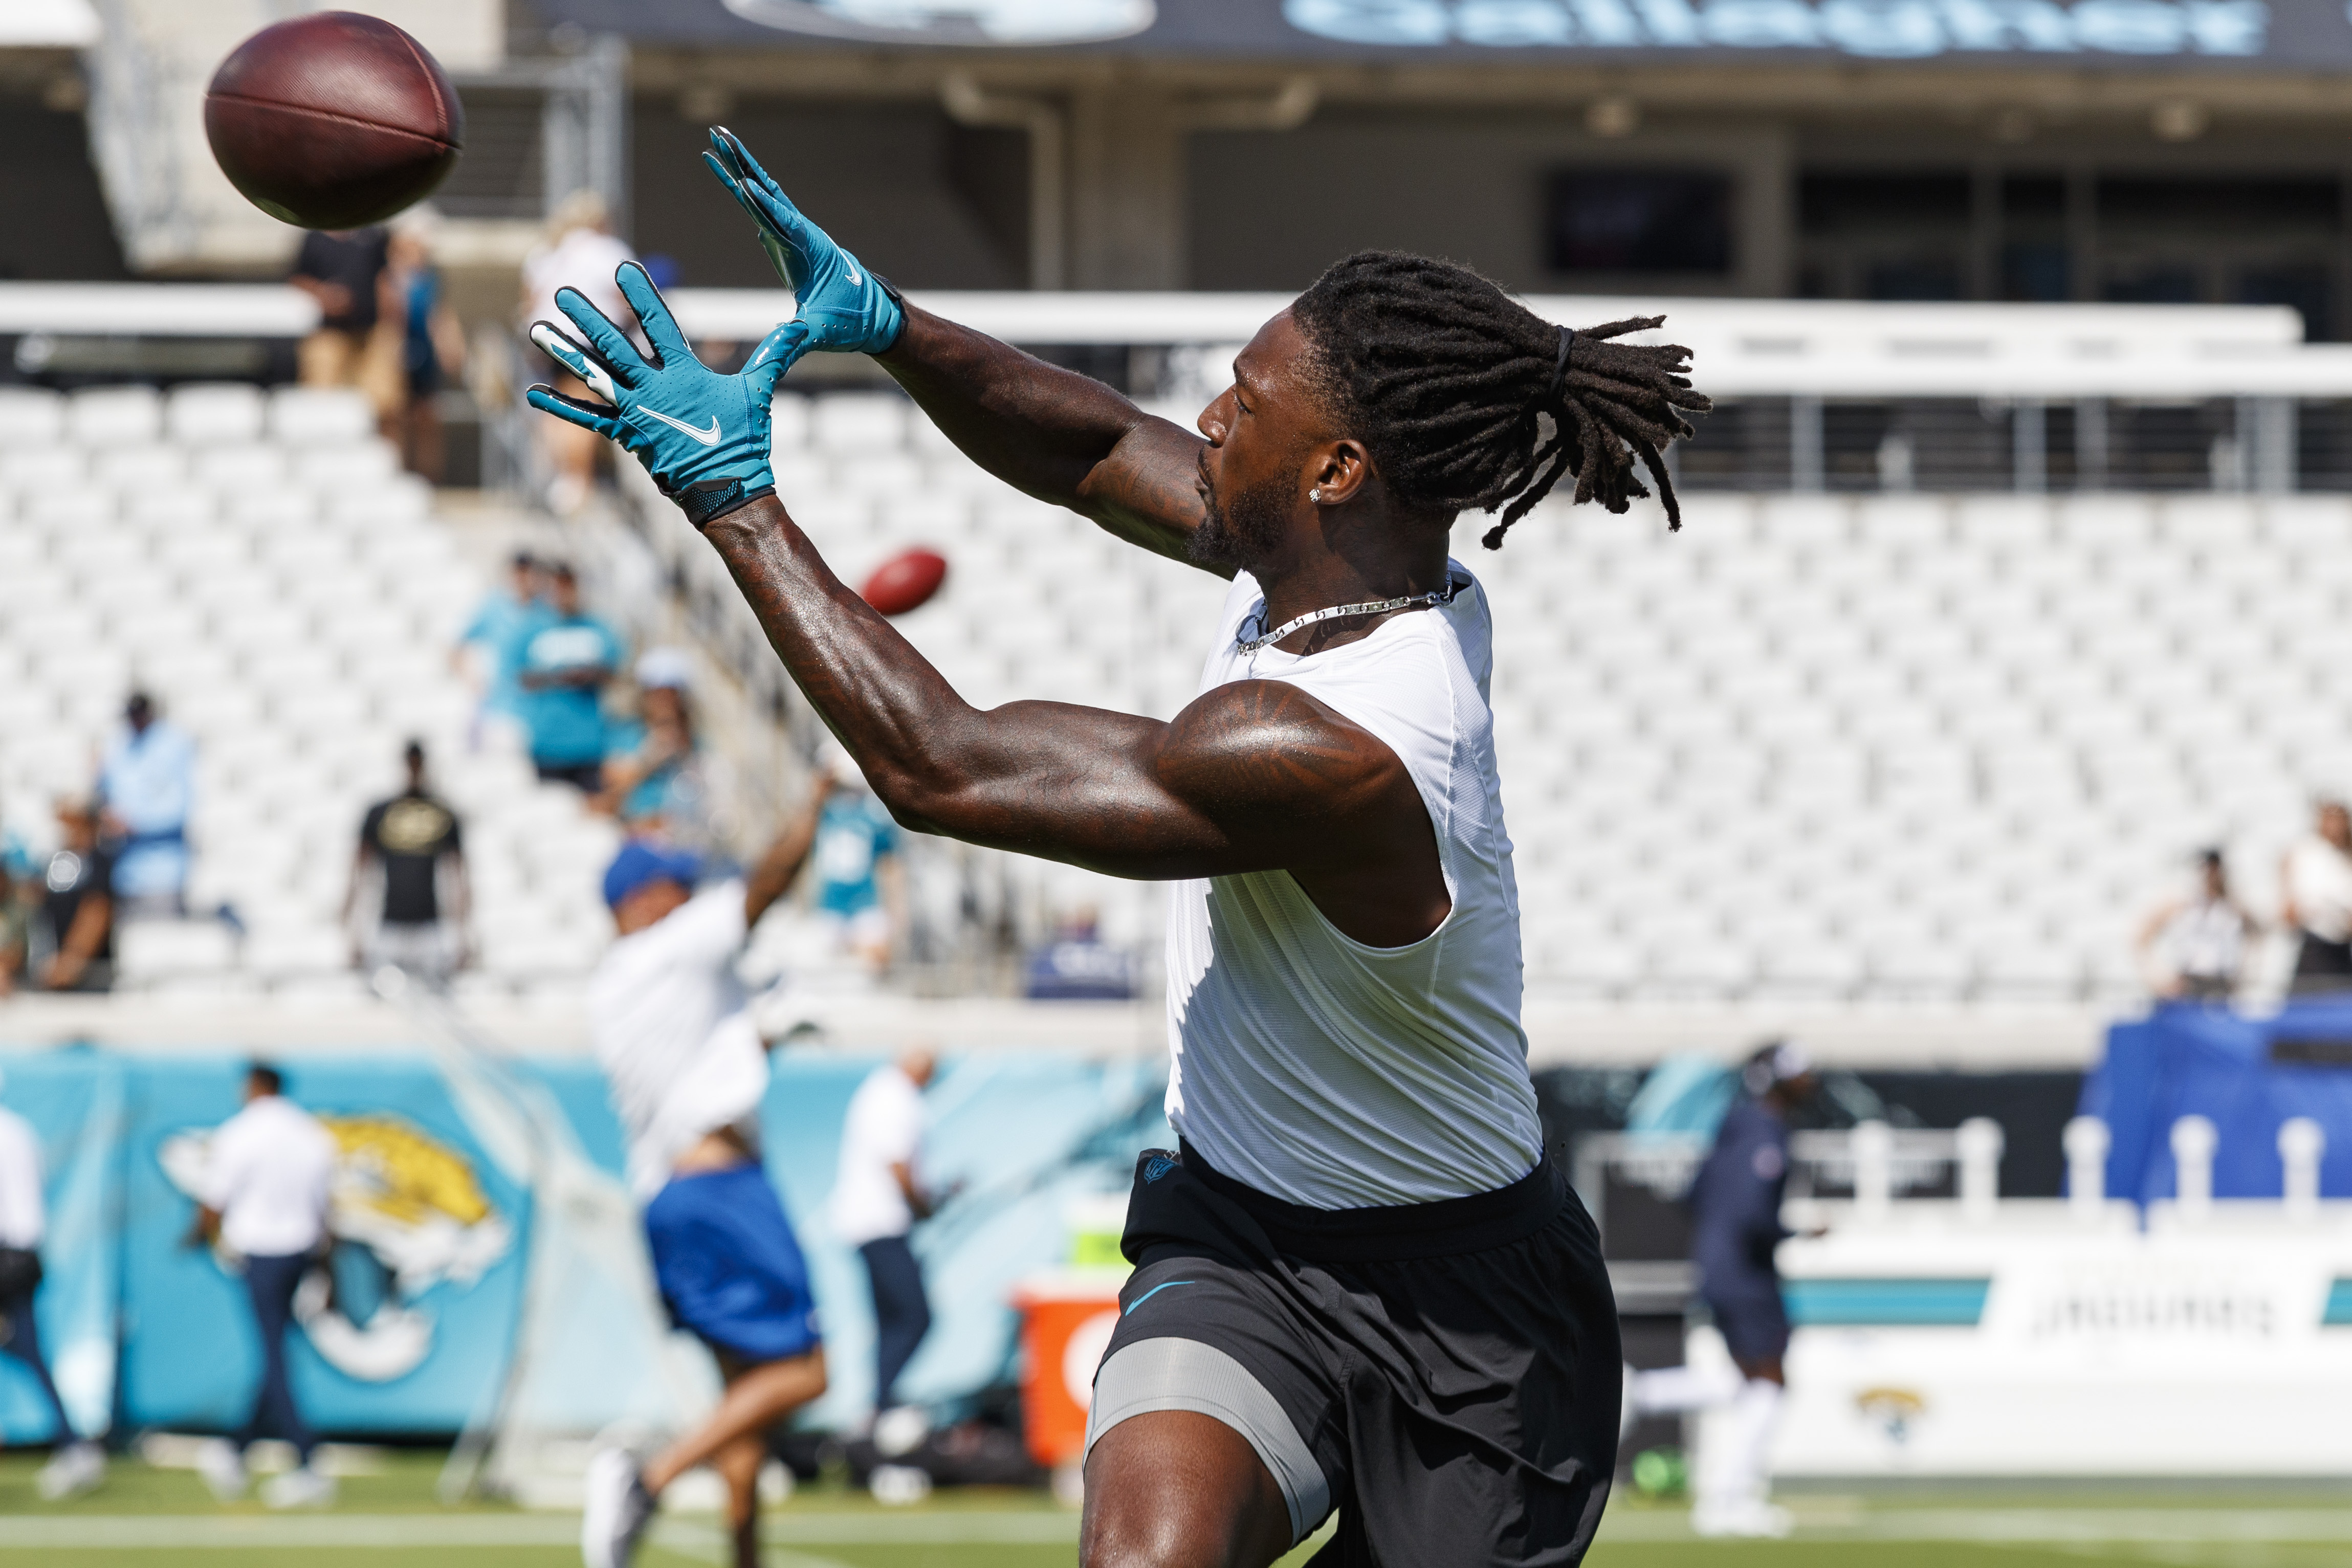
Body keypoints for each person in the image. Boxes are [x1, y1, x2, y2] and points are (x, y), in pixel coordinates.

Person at [533, 126, 1707, 1568]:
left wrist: (734, 501)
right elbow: (1088, 447)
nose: (1207, 416)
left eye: (1242, 398)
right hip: (1242, 1243)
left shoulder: (1326, 745)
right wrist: (891, 324)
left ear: (1336, 468)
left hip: (1471, 1320)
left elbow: (942, 766)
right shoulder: (1339, 574)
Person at [581, 813, 825, 1568]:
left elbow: (699, 1058)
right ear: (643, 900)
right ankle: (645, 1479)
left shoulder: (618, 987)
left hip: (669, 1198)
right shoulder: (672, 950)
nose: (685, 897)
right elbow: (771, 879)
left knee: (741, 1407)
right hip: (723, 1190)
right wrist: (816, 795)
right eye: (672, 886)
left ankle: (744, 1556)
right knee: (806, 1373)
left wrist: (764, 1035)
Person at [1634, 1041, 1818, 1539]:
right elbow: (1751, 1214)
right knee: (1770, 1379)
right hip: (1744, 1271)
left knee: (1744, 1378)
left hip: (1718, 1266)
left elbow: (1694, 1195)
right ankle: (1729, 1498)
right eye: (1801, 1073)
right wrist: (1795, 1232)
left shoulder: (1729, 1125)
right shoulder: (1763, 1129)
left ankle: (1638, 1393)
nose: (1810, 1081)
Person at [192, 1064, 340, 1511]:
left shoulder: (242, 1133)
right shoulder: (311, 1133)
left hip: (261, 1252)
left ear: (256, 1086)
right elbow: (327, 1208)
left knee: (274, 1353)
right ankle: (235, 1448)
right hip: (302, 1251)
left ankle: (306, 1460)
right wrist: (328, 1267)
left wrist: (201, 1237)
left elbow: (215, 1200)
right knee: (276, 1349)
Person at [0, 1077, 107, 1499]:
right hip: (27, 1251)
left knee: (27, 1349)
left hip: (6, 1250)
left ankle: (73, 1443)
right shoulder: (20, 1129)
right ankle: (73, 1443)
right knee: (27, 1348)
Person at [830, 1050, 943, 1427]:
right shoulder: (895, 1097)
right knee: (915, 1315)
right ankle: (881, 1401)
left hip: (870, 1224)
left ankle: (881, 1403)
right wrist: (923, 1204)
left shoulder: (878, 1092)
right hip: (880, 1223)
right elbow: (897, 1163)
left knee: (892, 1320)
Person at [520, 191, 638, 515]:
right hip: (586, 339)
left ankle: (558, 476)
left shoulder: (546, 254)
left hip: (545, 338)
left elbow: (530, 302)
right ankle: (576, 482)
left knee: (553, 406)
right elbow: (630, 298)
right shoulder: (609, 252)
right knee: (585, 409)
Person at [344, 741, 470, 986]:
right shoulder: (380, 812)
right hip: (388, 926)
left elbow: (458, 875)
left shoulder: (442, 813)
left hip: (430, 927)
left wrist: (463, 936)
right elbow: (359, 870)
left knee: (437, 999)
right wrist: (353, 930)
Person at [596, 651, 718, 852]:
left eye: (670, 694)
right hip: (635, 836)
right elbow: (613, 785)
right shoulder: (626, 735)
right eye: (656, 694)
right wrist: (653, 754)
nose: (663, 702)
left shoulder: (698, 744)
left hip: (682, 840)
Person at [518, 563, 624, 790]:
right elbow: (521, 679)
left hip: (590, 746)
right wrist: (559, 678)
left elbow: (614, 674)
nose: (563, 594)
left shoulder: (598, 628)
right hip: (547, 744)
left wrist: (589, 676)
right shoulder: (532, 630)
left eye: (568, 586)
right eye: (557, 587)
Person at [381, 211, 468, 481]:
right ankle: (394, 477)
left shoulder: (431, 277)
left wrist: (451, 347)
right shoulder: (387, 275)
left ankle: (427, 478)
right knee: (392, 417)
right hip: (395, 353)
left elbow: (438, 314)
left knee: (427, 418)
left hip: (424, 354)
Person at [97, 692, 195, 916]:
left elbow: (181, 809)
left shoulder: (173, 745)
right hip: (123, 875)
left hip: (161, 876)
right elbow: (106, 796)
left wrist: (134, 824)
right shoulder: (120, 746)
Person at [289, 226, 399, 421]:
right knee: (321, 406)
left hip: (369, 335)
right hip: (327, 334)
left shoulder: (374, 235)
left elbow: (384, 281)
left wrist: (391, 326)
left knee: (383, 408)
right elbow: (298, 280)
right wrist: (325, 296)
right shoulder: (314, 239)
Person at [808, 759, 903, 975]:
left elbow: (890, 864)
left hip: (865, 900)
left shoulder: (874, 814)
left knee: (876, 965)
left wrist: (895, 910)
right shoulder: (822, 813)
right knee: (823, 968)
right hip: (830, 903)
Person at [2136, 848, 2257, 1003]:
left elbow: (2258, 936)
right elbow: (2141, 939)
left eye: (2215, 870)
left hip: (2221, 985)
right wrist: (2159, 978)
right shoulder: (2180, 904)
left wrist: (2244, 975)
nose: (2211, 876)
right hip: (2186, 984)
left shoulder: (2233, 907)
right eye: (2208, 870)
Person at [455, 550, 545, 731]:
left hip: (538, 708)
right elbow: (457, 645)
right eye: (519, 573)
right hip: (501, 709)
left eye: (527, 573)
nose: (523, 579)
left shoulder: (545, 610)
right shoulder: (494, 606)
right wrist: (472, 681)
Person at [36, 800, 115, 993]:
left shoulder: (98, 861)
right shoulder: (53, 860)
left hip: (90, 975)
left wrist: (73, 958)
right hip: (50, 969)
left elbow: (98, 911)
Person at [2281, 801, 2352, 995]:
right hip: (2313, 947)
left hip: (2342, 950)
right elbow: (2288, 912)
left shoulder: (2346, 859)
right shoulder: (2305, 855)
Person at [1023, 906, 1136, 1000]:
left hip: (1058, 1017)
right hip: (1109, 1018)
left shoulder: (1051, 955)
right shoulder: (1115, 956)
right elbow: (1128, 992)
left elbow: (1035, 992)